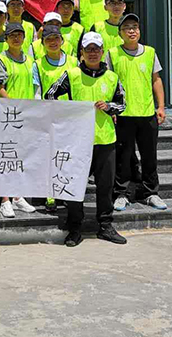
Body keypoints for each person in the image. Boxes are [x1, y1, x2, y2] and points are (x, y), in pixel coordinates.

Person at [46, 31, 127, 246]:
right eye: (88, 49)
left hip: (105, 139)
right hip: (77, 141)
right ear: (81, 52)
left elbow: (122, 104)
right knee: (74, 185)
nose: (92, 53)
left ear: (102, 52)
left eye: (96, 49)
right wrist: (68, 112)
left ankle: (105, 226)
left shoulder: (112, 77)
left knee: (105, 186)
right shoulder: (71, 74)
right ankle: (75, 228)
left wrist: (109, 107)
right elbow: (50, 95)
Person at [106, 13, 168, 211]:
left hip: (147, 113)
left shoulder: (149, 52)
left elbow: (156, 80)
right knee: (123, 158)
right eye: (127, 28)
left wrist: (161, 106)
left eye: (135, 27)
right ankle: (121, 194)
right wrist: (111, 109)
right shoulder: (112, 53)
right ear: (120, 33)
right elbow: (108, 82)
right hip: (123, 115)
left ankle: (151, 193)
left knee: (150, 156)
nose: (131, 31)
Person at [0, 21, 37, 218]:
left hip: (27, 116)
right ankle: (4, 200)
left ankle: (18, 197)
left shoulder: (31, 60)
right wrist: (16, 106)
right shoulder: (0, 59)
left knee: (22, 157)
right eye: (12, 35)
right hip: (8, 116)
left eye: (19, 34)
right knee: (6, 156)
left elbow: (34, 86)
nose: (16, 38)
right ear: (6, 38)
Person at [33, 24, 78, 213]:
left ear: (62, 41)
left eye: (56, 39)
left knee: (68, 156)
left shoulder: (74, 62)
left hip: (70, 116)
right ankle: (50, 194)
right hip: (49, 116)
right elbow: (37, 91)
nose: (53, 42)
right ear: (42, 43)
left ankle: (67, 192)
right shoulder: (37, 64)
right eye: (48, 39)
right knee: (50, 156)